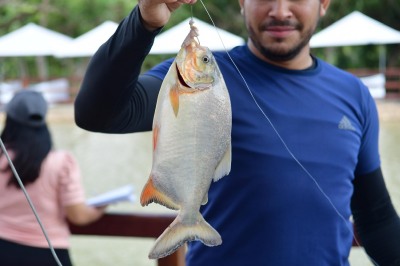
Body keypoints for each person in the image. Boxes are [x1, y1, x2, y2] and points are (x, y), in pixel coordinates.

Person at [74, 0, 400, 265]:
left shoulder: (354, 95)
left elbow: (376, 216)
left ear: (324, 3)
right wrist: (143, 21)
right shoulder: (206, 76)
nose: (281, 10)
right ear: (242, 2)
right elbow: (98, 114)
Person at [0, 90, 106, 266]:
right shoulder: (61, 162)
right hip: (47, 253)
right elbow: (78, 216)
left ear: (9, 119)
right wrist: (102, 206)